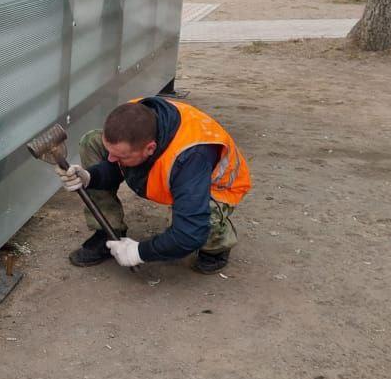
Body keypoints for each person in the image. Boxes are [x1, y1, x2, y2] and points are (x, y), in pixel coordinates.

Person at [57, 96, 251, 274]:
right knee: (92, 141)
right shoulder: (138, 115)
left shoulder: (191, 158)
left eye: (120, 156)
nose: (110, 158)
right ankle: (109, 231)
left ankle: (217, 246)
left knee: (200, 225)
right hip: (168, 168)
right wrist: (90, 176)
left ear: (150, 148)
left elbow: (189, 234)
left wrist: (139, 252)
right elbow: (114, 165)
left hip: (213, 187)